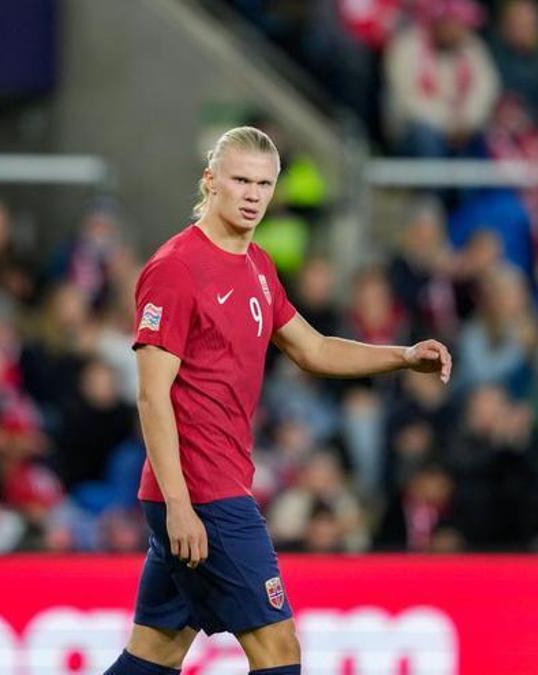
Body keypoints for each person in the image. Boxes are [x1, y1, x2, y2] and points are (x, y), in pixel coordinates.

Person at [103, 127, 452, 675]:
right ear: (210, 181)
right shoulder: (175, 269)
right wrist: (178, 504)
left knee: (157, 651)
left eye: (264, 184)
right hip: (203, 493)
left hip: (210, 487)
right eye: (240, 179)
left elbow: (313, 349)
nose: (253, 194)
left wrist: (403, 356)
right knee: (278, 648)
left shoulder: (259, 267)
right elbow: (151, 395)